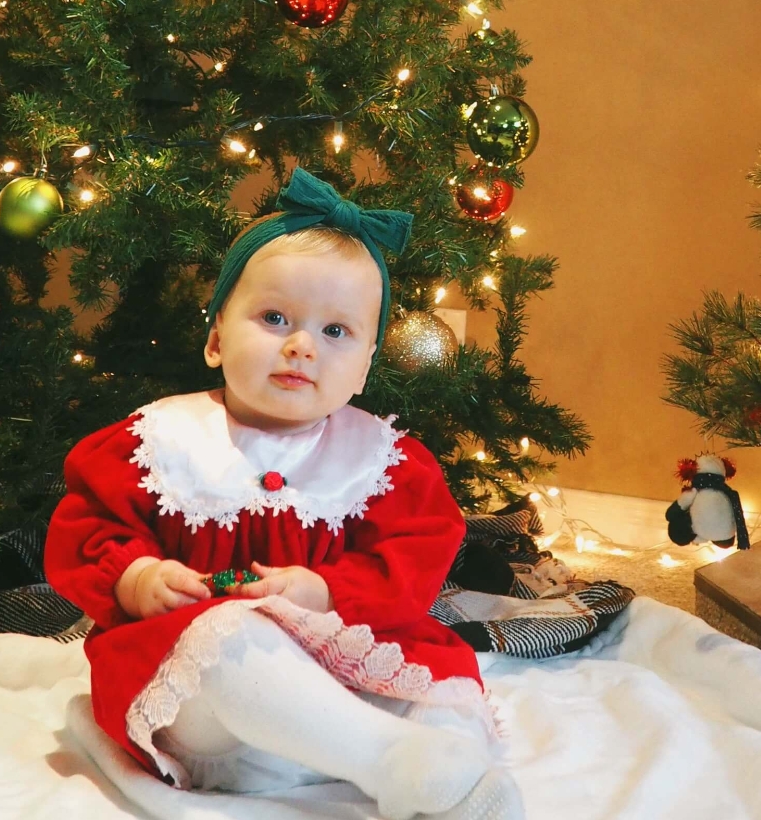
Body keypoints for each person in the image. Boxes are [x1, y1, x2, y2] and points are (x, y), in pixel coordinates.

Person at [45, 168, 524, 820]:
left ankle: (444, 774)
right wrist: (136, 576)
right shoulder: (157, 444)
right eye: (275, 318)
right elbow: (87, 531)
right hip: (218, 710)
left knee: (435, 689)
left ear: (364, 367)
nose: (302, 347)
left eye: (336, 333)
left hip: (351, 675)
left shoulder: (387, 465)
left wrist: (329, 593)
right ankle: (386, 758)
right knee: (227, 637)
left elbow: (412, 565)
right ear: (216, 338)